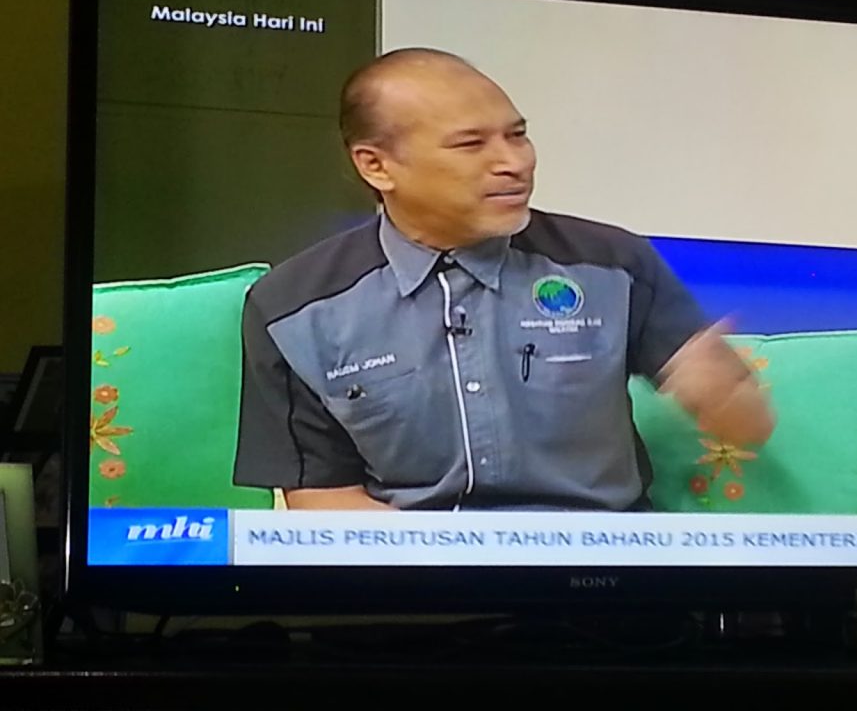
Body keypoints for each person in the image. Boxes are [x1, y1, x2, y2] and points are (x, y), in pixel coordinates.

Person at [232, 48, 774, 511]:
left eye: (518, 135)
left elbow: (747, 423)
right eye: (471, 145)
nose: (513, 163)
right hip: (414, 573)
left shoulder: (612, 263)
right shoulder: (293, 308)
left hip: (600, 573)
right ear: (377, 166)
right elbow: (324, 500)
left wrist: (726, 398)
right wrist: (457, 567)